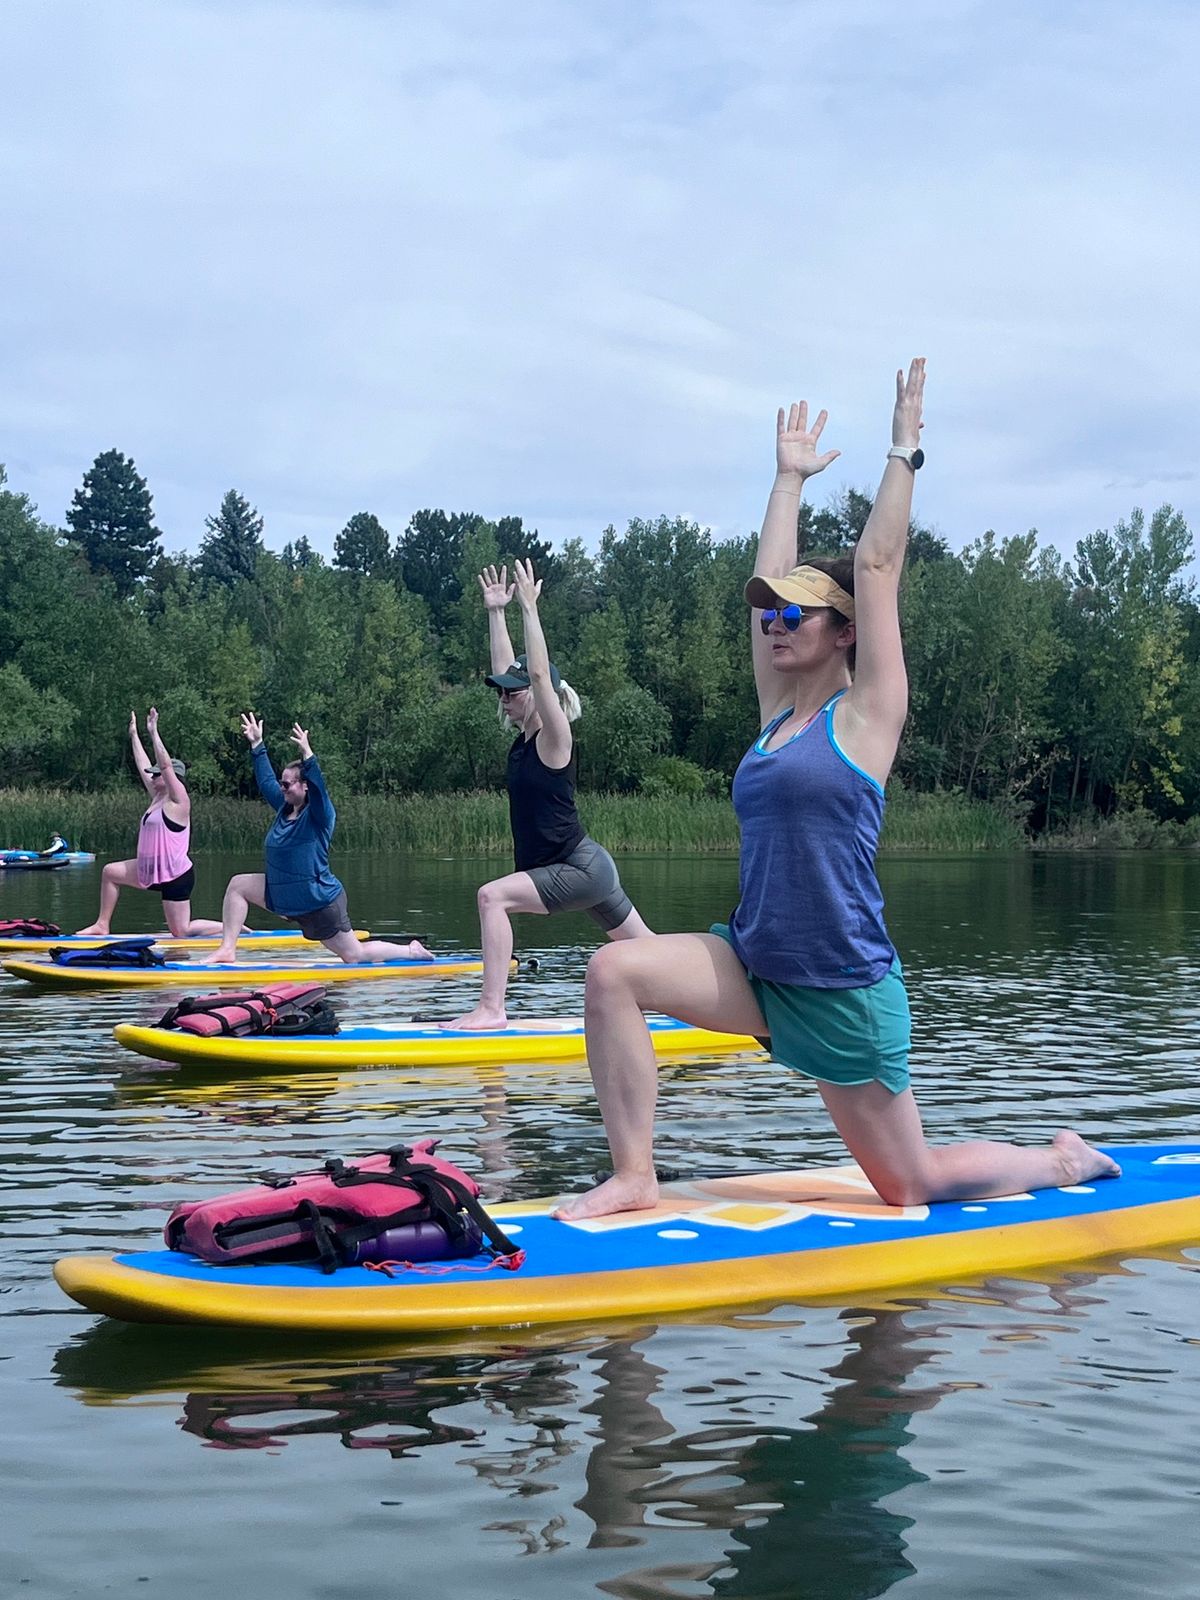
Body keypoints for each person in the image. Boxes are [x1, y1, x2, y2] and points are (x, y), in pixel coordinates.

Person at [556, 360, 1119, 1220]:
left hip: (840, 984)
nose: (775, 626)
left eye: (796, 617)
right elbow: (762, 587)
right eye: (770, 616)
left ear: (844, 631)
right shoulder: (776, 714)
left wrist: (904, 451)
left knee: (910, 1186)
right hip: (756, 966)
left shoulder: (867, 715)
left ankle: (1063, 1158)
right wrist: (785, 481)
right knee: (613, 972)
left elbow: (879, 563)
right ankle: (637, 1174)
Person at [448, 558, 653, 1029]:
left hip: (578, 868)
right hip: (585, 866)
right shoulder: (521, 737)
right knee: (648, 949)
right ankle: (704, 999)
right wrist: (495, 613)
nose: (504, 697)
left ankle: (492, 1009)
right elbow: (512, 672)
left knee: (491, 897)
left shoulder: (554, 739)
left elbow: (537, 677)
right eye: (501, 692)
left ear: (544, 697)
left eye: (511, 693)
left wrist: (529, 608)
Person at [209, 716, 433, 965]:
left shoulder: (319, 816)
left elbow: (320, 790)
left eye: (287, 784)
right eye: (281, 784)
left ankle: (411, 952)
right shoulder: (285, 809)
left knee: (354, 955)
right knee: (238, 886)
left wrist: (308, 754)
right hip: (286, 897)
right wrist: (257, 745)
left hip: (318, 901)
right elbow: (265, 782)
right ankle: (227, 949)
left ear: (305, 786)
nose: (281, 788)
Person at [76, 708, 223, 938]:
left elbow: (164, 766)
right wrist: (134, 735)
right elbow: (143, 763)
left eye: (157, 774)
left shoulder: (179, 801)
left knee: (180, 931)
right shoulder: (157, 797)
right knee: (110, 872)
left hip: (175, 874)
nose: (153, 777)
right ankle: (102, 925)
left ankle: (232, 928)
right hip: (148, 870)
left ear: (171, 778)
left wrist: (154, 732)